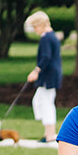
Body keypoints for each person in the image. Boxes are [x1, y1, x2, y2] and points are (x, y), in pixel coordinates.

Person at [26, 11, 62, 143]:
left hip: (48, 75)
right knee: (39, 101)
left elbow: (46, 57)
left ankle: (50, 134)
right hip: (50, 75)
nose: (35, 30)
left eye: (35, 27)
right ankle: (48, 132)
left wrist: (36, 71)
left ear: (41, 25)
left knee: (46, 103)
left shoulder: (46, 37)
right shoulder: (51, 36)